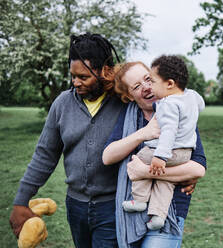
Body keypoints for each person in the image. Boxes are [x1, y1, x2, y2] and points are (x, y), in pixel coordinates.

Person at [9, 33, 125, 247]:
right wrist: (21, 200)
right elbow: (44, 155)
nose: (76, 83)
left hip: (113, 206)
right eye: (73, 76)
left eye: (83, 77)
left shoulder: (124, 103)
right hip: (76, 206)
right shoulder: (62, 104)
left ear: (103, 72)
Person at [102, 61, 207, 247]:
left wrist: (144, 172)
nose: (146, 87)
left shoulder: (180, 112)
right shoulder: (129, 116)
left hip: (169, 213)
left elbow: (197, 169)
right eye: (136, 86)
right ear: (129, 96)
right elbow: (108, 156)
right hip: (130, 217)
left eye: (148, 79)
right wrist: (144, 133)